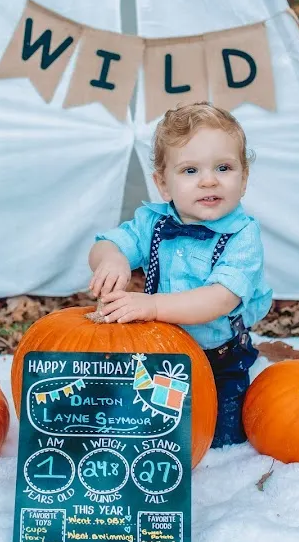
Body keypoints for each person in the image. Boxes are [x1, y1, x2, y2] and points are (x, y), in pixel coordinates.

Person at [88, 102, 272, 448]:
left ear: (244, 179)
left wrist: (153, 306)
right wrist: (112, 259)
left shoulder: (243, 236)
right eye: (190, 170)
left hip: (219, 357)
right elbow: (104, 244)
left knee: (219, 438)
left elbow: (219, 298)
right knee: (154, 427)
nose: (209, 180)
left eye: (223, 167)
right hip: (159, 353)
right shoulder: (153, 223)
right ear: (163, 184)